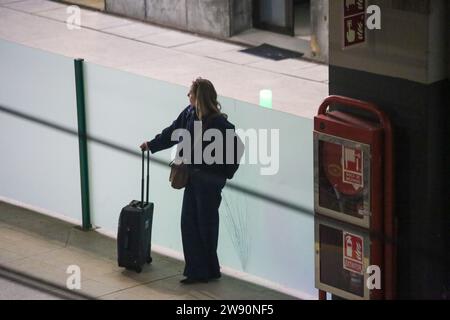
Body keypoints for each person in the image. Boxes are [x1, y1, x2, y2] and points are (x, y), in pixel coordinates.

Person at [140, 78, 242, 284]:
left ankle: (203, 270)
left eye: (190, 93)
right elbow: (171, 133)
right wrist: (152, 145)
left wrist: (220, 176)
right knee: (191, 223)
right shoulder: (189, 114)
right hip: (194, 181)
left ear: (198, 97)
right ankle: (203, 269)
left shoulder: (219, 124)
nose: (188, 96)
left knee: (204, 225)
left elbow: (236, 151)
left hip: (208, 185)